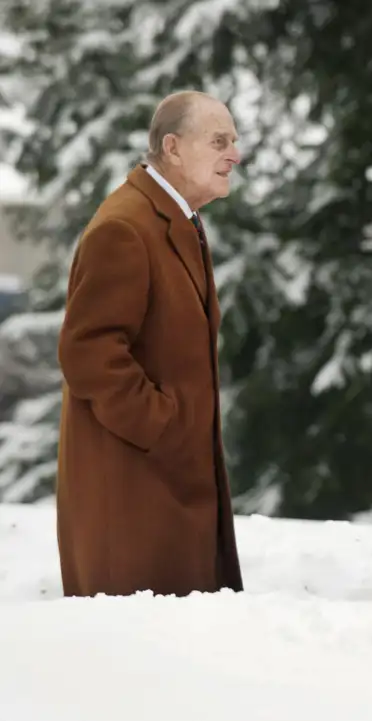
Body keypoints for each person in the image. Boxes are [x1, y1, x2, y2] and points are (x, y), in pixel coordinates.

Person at [56, 90, 244, 597]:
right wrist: (163, 426)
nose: (235, 153)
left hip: (169, 489)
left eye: (235, 140)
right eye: (220, 140)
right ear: (173, 147)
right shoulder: (124, 227)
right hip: (135, 498)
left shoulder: (175, 218)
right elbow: (88, 353)